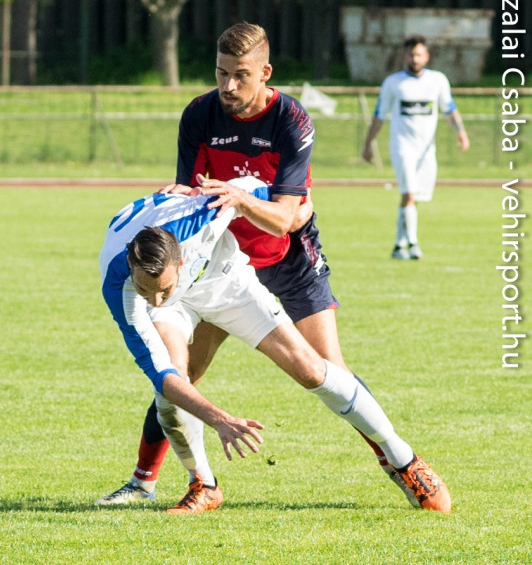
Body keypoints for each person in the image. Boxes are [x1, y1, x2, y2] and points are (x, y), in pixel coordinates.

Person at [97, 22, 406, 509]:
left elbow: (286, 218)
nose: (228, 87)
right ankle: (154, 481)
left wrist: (244, 201)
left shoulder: (291, 119)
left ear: (265, 72)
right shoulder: (199, 113)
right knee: (180, 379)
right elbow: (187, 191)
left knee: (324, 370)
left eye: (240, 75)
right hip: (211, 258)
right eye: (220, 74)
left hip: (285, 253)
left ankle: (399, 463)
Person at [99, 182, 451, 514]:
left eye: (163, 288)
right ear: (132, 268)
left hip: (223, 280)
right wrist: (220, 419)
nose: (156, 300)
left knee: (312, 368)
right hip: (179, 302)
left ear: (180, 261)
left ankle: (402, 458)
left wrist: (300, 208)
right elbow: (163, 375)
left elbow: (268, 192)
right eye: (147, 290)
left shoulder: (203, 215)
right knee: (171, 389)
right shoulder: (122, 287)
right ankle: (204, 484)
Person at [362, 34, 470, 260]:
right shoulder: (393, 83)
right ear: (405, 56)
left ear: (427, 56)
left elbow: (449, 108)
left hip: (426, 151)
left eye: (419, 54)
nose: (415, 58)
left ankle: (399, 245)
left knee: (415, 196)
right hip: (403, 148)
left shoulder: (438, 81)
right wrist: (368, 143)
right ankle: (412, 243)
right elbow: (379, 115)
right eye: (411, 54)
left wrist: (460, 132)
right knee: (409, 192)